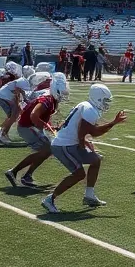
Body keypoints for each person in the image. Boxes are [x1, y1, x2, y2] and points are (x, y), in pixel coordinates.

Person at [41, 85, 127, 213]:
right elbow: (87, 133)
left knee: (95, 160)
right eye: (104, 100)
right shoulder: (90, 110)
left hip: (69, 142)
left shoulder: (87, 106)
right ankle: (50, 199)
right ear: (98, 98)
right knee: (79, 174)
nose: (106, 104)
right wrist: (112, 123)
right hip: (64, 145)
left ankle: (89, 195)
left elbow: (88, 131)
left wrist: (86, 144)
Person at [5, 73, 70, 188]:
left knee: (48, 150)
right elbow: (34, 116)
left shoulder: (52, 99)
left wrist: (50, 126)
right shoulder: (47, 99)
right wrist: (47, 127)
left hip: (31, 126)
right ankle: (14, 172)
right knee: (46, 150)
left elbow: (41, 117)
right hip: (27, 126)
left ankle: (26, 175)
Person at [0, 63, 33, 144]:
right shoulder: (23, 81)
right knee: (13, 116)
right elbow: (17, 92)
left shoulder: (23, 80)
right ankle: (3, 133)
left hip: (4, 96)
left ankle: (0, 130)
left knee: (14, 115)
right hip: (2, 97)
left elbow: (22, 94)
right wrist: (19, 104)